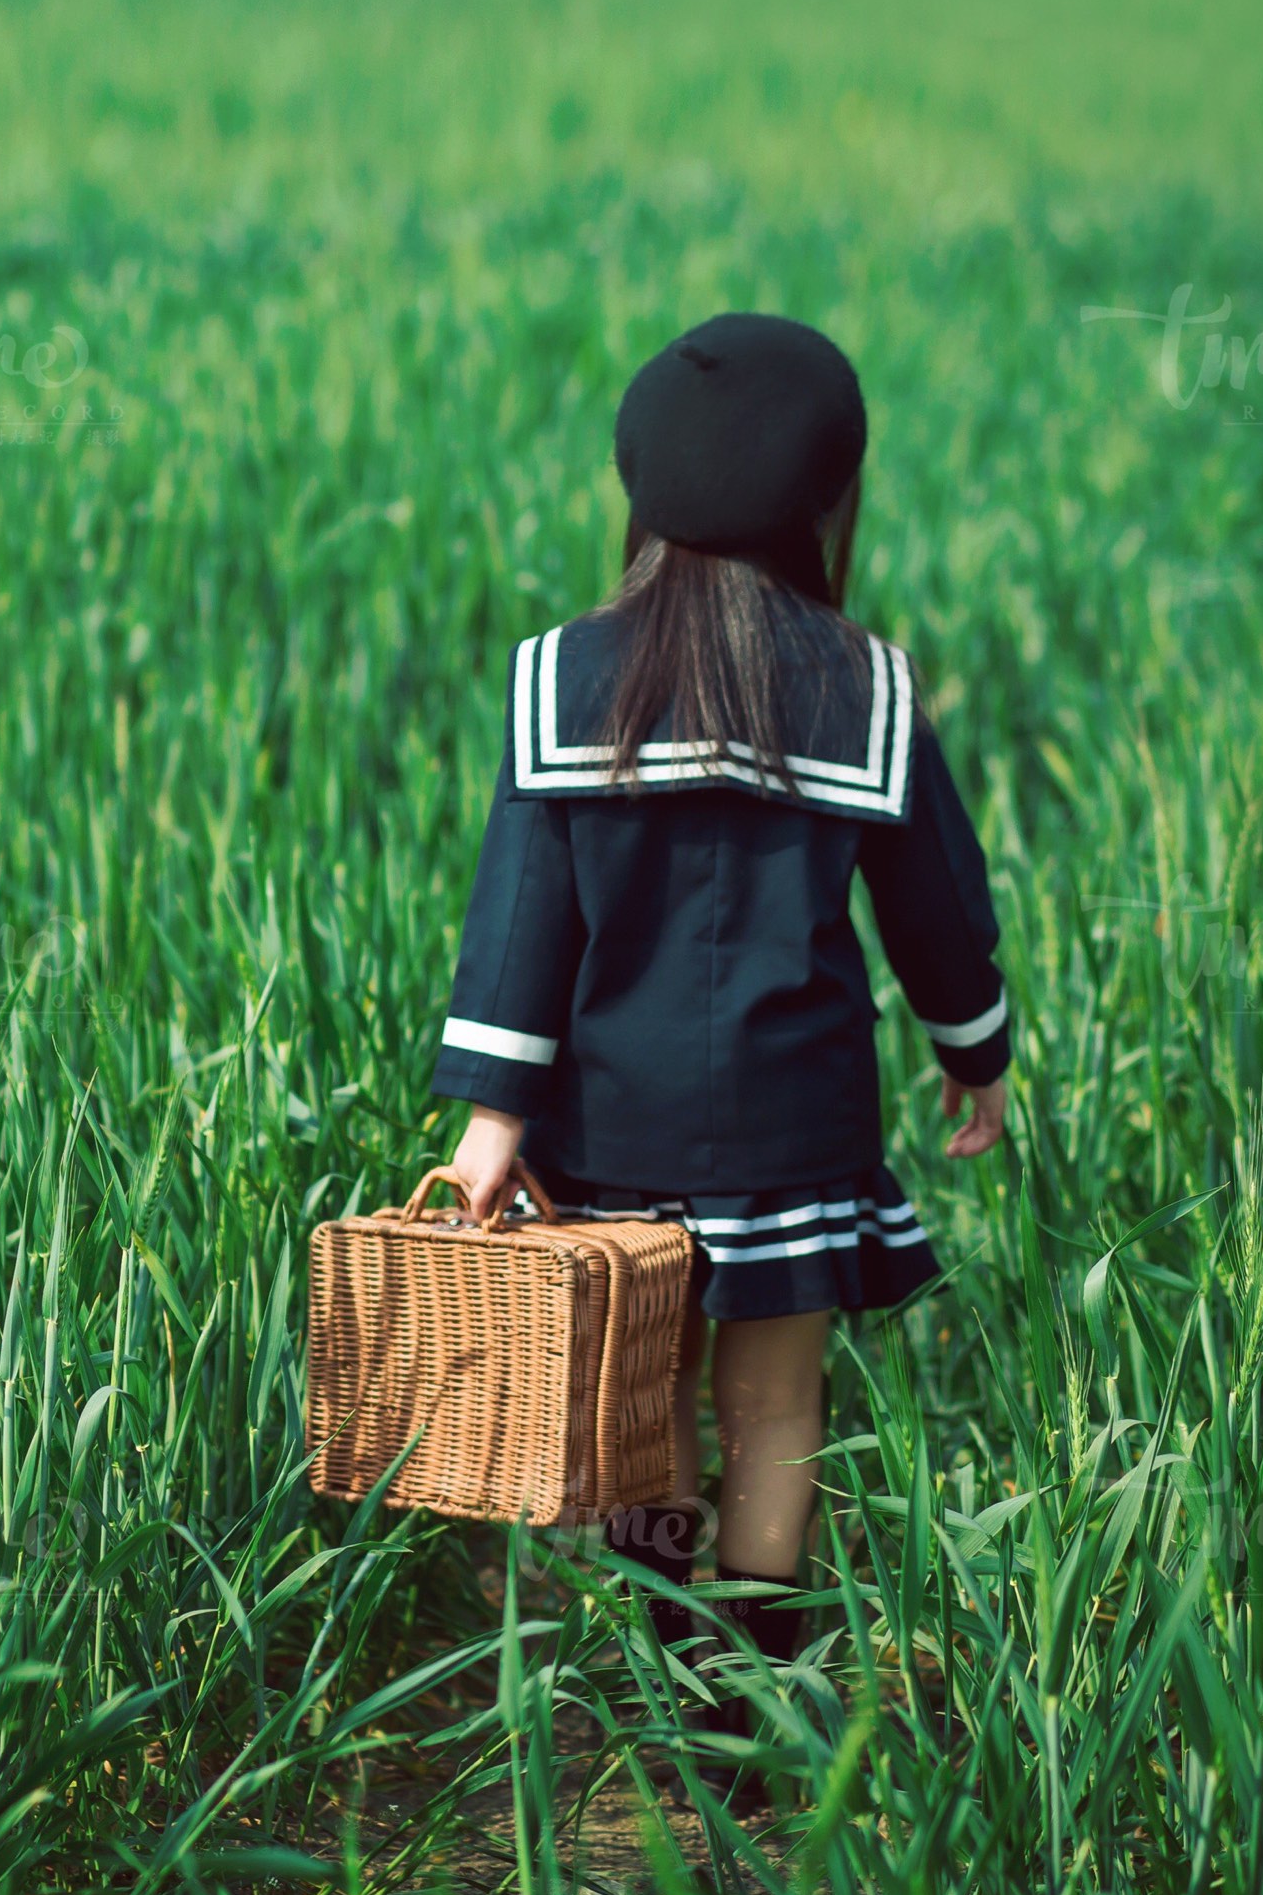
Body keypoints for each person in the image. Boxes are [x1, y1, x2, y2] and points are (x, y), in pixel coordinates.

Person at [429, 311, 1013, 1728]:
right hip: (796, 1125)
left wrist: (492, 1121)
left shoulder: (562, 677)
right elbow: (934, 902)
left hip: (614, 1126)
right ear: (827, 497)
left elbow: (521, 919)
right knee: (773, 1404)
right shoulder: (860, 686)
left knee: (650, 1403)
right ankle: (756, 1682)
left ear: (638, 489)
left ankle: (672, 1651)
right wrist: (973, 1053)